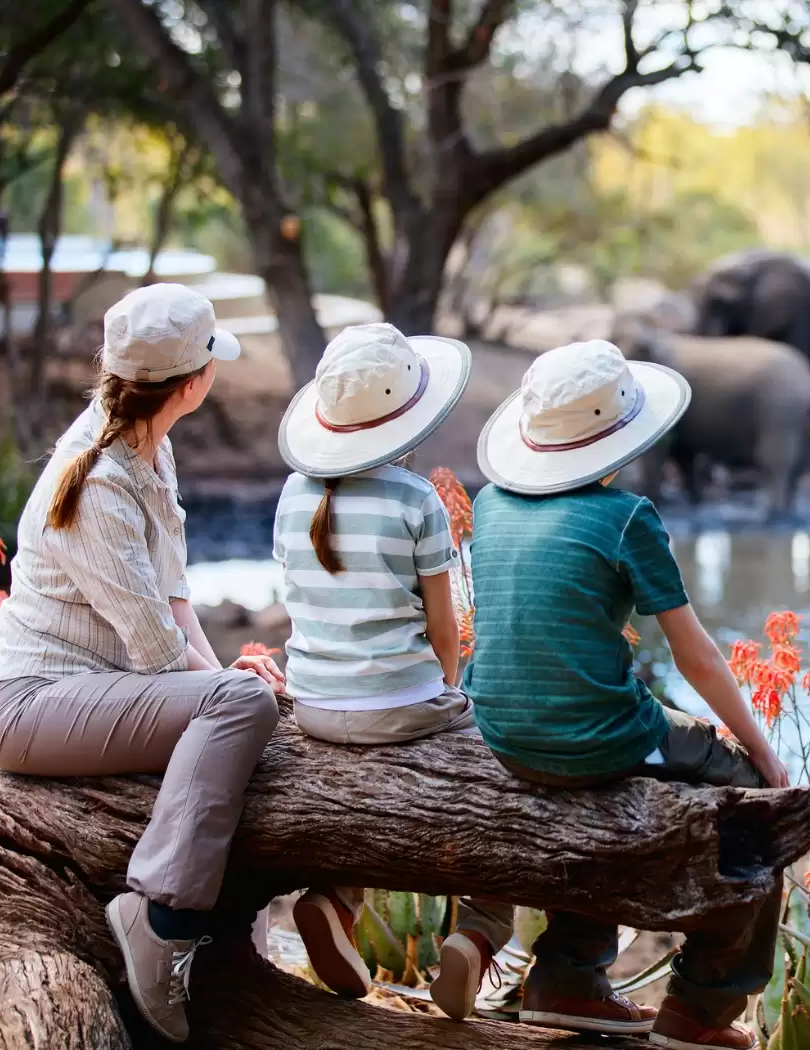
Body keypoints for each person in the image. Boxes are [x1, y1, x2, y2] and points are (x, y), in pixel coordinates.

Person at [0, 284, 286, 1044]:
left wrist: (223, 674)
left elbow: (172, 599)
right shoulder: (99, 480)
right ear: (192, 382)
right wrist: (225, 691)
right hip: (28, 703)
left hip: (92, 690)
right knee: (243, 706)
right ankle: (161, 918)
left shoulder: (149, 446)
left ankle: (215, 942)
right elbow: (153, 651)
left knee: (242, 701)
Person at [467, 339, 791, 1050]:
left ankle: (567, 980)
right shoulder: (626, 516)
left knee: (602, 780)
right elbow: (696, 656)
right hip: (596, 736)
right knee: (758, 806)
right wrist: (762, 753)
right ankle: (702, 1007)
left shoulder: (490, 503)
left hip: (500, 734)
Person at [271, 321, 512, 1019]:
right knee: (504, 782)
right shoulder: (416, 500)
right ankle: (479, 931)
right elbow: (443, 627)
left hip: (314, 705)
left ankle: (335, 897)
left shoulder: (292, 494)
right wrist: (448, 693)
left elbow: (298, 601)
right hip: (404, 704)